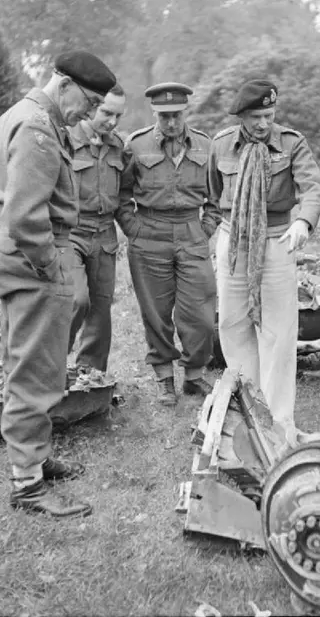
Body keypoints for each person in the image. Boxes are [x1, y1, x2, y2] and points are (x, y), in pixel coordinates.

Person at [0, 50, 116, 517]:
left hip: (16, 257)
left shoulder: (17, 115)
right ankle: (27, 488)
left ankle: (34, 460)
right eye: (90, 100)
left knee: (28, 366)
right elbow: (25, 215)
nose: (91, 112)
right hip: (37, 260)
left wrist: (3, 245)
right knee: (35, 376)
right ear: (63, 86)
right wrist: (50, 266)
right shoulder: (40, 127)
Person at [207, 78, 320, 436]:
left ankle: (279, 418)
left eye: (269, 115)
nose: (263, 123)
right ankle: (249, 406)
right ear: (242, 115)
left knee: (278, 329)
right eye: (256, 116)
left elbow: (314, 188)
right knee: (232, 322)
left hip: (277, 241)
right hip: (234, 240)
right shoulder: (222, 145)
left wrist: (303, 222)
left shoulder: (292, 143)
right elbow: (213, 193)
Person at [117, 83, 220, 406]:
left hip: (191, 232)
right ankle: (164, 378)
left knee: (201, 313)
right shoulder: (136, 145)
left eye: (176, 115)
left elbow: (217, 197)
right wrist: (134, 229)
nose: (171, 123)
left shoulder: (206, 145)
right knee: (156, 310)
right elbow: (120, 196)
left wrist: (205, 229)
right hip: (149, 233)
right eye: (164, 116)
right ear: (155, 114)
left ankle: (193, 375)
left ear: (186, 111)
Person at [68, 83, 127, 372]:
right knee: (76, 300)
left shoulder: (118, 145)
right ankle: (49, 367)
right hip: (71, 234)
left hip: (105, 235)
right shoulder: (66, 139)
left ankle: (90, 378)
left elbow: (126, 193)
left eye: (118, 116)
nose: (112, 122)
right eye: (107, 112)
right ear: (91, 105)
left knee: (101, 311)